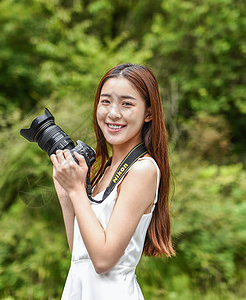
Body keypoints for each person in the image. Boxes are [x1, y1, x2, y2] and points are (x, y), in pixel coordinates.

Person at [50, 63, 175, 299]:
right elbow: (80, 254)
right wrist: (66, 195)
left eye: (127, 104)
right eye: (106, 101)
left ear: (149, 113)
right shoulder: (104, 169)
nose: (113, 113)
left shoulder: (142, 169)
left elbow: (103, 260)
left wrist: (78, 191)